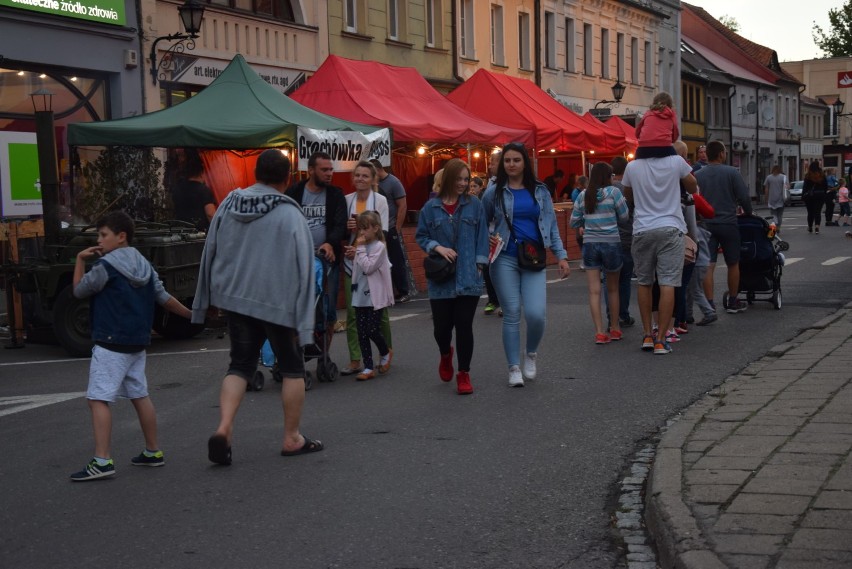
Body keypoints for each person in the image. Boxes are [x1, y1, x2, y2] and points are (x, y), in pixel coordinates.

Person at [193, 149, 322, 466]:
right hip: (278, 303)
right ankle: (292, 438)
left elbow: (211, 248)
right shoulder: (291, 214)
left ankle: (224, 428)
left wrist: (204, 301)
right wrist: (306, 328)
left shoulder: (229, 204)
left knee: (239, 366)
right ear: (287, 178)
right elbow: (305, 270)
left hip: (236, 299)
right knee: (292, 368)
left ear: (255, 174)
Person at [70, 211, 192, 481]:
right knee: (139, 394)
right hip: (137, 341)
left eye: (103, 235)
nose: (100, 241)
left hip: (110, 341)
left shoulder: (105, 267)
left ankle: (102, 460)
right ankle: (152, 451)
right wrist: (192, 315)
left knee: (98, 398)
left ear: (121, 236)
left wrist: (80, 259)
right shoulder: (145, 264)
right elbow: (163, 297)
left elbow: (79, 291)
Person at [482, 142, 571, 386]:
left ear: (525, 163)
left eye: (516, 160)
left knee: (536, 315)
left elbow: (551, 226)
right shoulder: (494, 192)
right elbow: (483, 222)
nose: (511, 164)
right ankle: (513, 368)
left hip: (533, 258)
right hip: (504, 259)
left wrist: (561, 255)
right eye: (507, 160)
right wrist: (486, 242)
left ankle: (530, 354)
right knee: (511, 313)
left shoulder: (540, 191)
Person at [416, 158, 489, 395]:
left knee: (464, 326)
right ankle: (446, 354)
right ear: (448, 178)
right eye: (459, 178)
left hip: (468, 275)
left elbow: (482, 235)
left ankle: (464, 373)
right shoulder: (431, 207)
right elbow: (422, 236)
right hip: (441, 278)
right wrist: (438, 247)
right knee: (441, 329)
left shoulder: (474, 204)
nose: (463, 183)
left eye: (466, 179)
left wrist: (480, 263)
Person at [621, 141, 697, 355]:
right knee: (668, 283)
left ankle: (647, 335)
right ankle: (662, 339)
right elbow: (693, 187)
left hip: (642, 229)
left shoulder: (632, 166)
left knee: (644, 282)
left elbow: (628, 195)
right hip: (670, 228)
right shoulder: (676, 161)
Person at [286, 151, 347, 349]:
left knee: (327, 309)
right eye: (324, 170)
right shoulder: (294, 191)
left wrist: (330, 242)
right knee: (297, 307)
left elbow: (340, 224)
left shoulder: (336, 194)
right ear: (310, 170)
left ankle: (324, 355)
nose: (329, 173)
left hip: (326, 260)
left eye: (331, 169)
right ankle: (294, 354)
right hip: (298, 260)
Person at [341, 161, 392, 376]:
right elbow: (340, 232)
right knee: (353, 312)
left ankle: (386, 351)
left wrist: (363, 246)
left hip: (374, 261)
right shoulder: (347, 200)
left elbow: (383, 233)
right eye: (357, 175)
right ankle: (356, 359)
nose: (361, 179)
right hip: (351, 263)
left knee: (379, 311)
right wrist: (347, 227)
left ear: (373, 179)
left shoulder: (380, 200)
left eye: (365, 176)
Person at [570, 162, 629, 344]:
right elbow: (625, 217)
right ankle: (615, 328)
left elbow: (573, 222)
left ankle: (599, 332)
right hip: (611, 243)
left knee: (594, 291)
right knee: (613, 288)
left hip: (590, 244)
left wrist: (584, 224)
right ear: (608, 177)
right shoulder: (614, 193)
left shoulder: (583, 195)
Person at [694, 141, 752, 314]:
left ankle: (710, 304)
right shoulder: (732, 173)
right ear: (721, 154)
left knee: (708, 265)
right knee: (733, 263)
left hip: (706, 225)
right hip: (728, 223)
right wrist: (748, 213)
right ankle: (733, 301)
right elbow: (743, 196)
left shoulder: (698, 175)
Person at [345, 211, 394, 381]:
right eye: (361, 229)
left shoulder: (379, 247)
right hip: (360, 294)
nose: (362, 233)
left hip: (374, 296)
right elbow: (358, 269)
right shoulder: (361, 247)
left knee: (372, 329)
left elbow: (369, 268)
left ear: (376, 228)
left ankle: (385, 351)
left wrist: (360, 250)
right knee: (362, 332)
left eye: (366, 229)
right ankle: (368, 367)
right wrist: (354, 254)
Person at [369, 159, 410, 303]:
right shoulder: (372, 184)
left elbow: (402, 205)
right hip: (376, 230)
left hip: (390, 227)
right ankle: (386, 292)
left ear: (378, 170)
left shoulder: (393, 182)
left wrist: (396, 228)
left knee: (396, 260)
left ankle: (403, 291)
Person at [603, 156, 635, 328]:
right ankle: (623, 314)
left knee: (609, 281)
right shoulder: (629, 189)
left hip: (607, 238)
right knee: (624, 280)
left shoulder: (604, 189)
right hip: (627, 238)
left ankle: (611, 317)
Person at [172, 150, 216, 231]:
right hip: (198, 235)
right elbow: (210, 214)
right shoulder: (204, 191)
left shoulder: (177, 188)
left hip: (180, 232)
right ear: (201, 172)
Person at [634, 92, 679, 159]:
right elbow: (675, 134)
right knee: (676, 160)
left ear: (654, 102)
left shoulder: (648, 113)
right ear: (670, 104)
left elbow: (637, 133)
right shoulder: (671, 115)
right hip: (664, 148)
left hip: (644, 148)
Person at [802, 160, 828, 234]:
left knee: (810, 212)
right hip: (820, 195)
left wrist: (803, 195)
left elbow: (805, 187)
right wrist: (824, 193)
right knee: (818, 212)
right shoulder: (822, 175)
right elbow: (825, 186)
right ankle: (817, 226)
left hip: (810, 196)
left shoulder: (808, 175)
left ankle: (810, 227)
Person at [764, 165, 788, 231]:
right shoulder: (783, 177)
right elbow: (787, 187)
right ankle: (778, 227)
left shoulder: (768, 177)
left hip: (771, 199)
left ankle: (774, 227)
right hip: (781, 199)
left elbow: (766, 189)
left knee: (773, 214)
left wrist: (766, 198)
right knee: (780, 215)